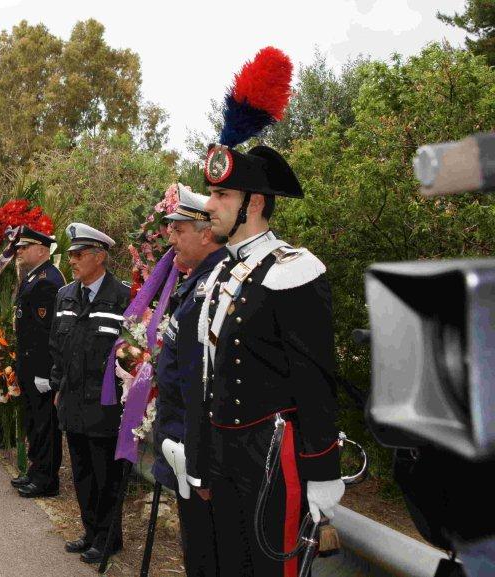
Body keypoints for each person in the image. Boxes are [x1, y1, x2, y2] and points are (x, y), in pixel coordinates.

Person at [195, 47, 344, 577]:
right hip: (225, 450)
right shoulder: (219, 272)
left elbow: (316, 382)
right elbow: (210, 374)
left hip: (272, 457)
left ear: (252, 203)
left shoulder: (294, 270)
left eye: (219, 195)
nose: (208, 204)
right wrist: (202, 454)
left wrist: (324, 471)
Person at [152, 185, 226, 576]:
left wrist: (196, 458)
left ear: (206, 232)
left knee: (206, 555)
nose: (171, 237)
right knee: (197, 552)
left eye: (179, 229)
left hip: (196, 451)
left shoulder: (215, 287)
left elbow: (205, 383)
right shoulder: (195, 282)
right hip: (184, 445)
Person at [49, 222, 131, 564]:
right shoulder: (65, 294)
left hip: (105, 405)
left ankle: (108, 538)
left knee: (106, 475)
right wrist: (57, 386)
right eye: (70, 255)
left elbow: (134, 353)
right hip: (72, 400)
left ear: (100, 257)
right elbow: (56, 345)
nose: (72, 261)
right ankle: (90, 530)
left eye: (79, 255)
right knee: (82, 472)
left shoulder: (124, 296)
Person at [11, 227, 66, 499]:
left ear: (42, 249)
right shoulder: (33, 276)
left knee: (46, 424)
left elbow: (49, 332)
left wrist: (46, 372)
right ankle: (36, 470)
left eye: (25, 247)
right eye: (19, 247)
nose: (19, 251)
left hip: (40, 367)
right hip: (29, 364)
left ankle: (47, 479)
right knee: (34, 421)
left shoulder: (49, 279)